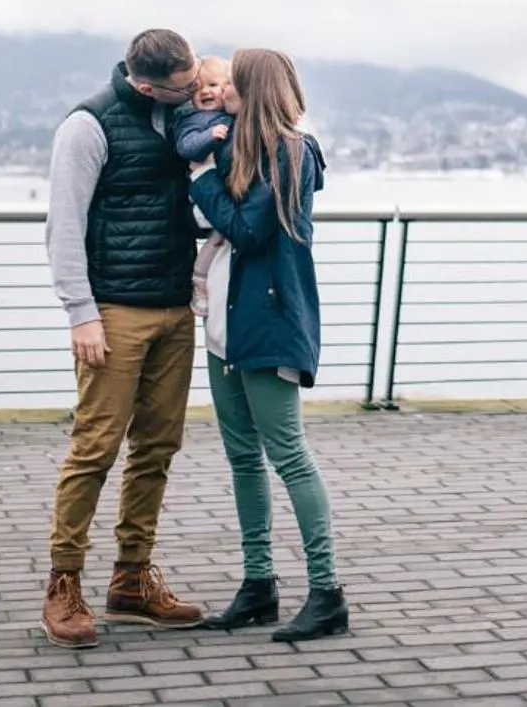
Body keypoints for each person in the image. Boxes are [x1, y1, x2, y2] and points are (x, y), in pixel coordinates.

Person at [40, 29, 209, 648]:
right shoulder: (88, 127)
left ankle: (132, 580)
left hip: (173, 307)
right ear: (144, 84)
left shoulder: (185, 116)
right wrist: (80, 312)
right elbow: (64, 224)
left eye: (196, 80)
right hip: (112, 312)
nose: (195, 92)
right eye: (184, 86)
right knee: (95, 448)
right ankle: (63, 583)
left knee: (158, 447)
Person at [187, 47, 350, 642]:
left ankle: (327, 591)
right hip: (225, 326)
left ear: (255, 88)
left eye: (234, 79)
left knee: (288, 454)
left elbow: (249, 229)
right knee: (242, 458)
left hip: (271, 324)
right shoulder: (237, 147)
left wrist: (202, 179)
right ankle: (258, 584)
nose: (222, 86)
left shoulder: (291, 151)